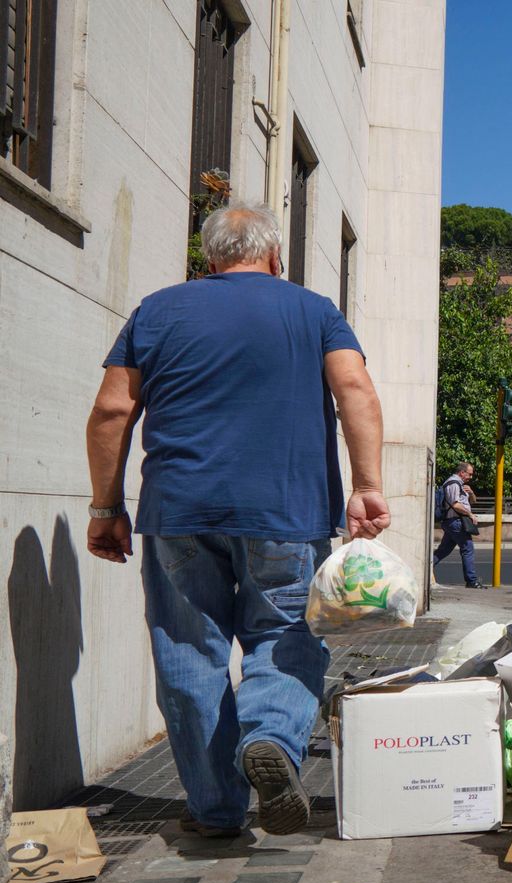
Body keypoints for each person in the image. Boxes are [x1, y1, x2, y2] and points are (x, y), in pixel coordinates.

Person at [85, 202, 388, 838]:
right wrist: (366, 486)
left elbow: (113, 411)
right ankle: (274, 738)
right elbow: (355, 390)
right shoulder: (313, 311)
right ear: (275, 257)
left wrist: (106, 507)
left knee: (190, 653)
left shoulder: (157, 311)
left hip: (180, 512)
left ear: (210, 259)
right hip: (288, 511)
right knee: (284, 634)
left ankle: (217, 811)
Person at [433, 462, 485, 588]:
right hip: (455, 521)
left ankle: (424, 567)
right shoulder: (453, 484)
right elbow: (455, 504)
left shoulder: (461, 485)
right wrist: (470, 514)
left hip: (455, 522)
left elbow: (473, 501)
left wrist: (471, 493)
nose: (471, 477)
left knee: (443, 551)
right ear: (462, 472)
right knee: (468, 548)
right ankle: (471, 581)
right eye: (470, 474)